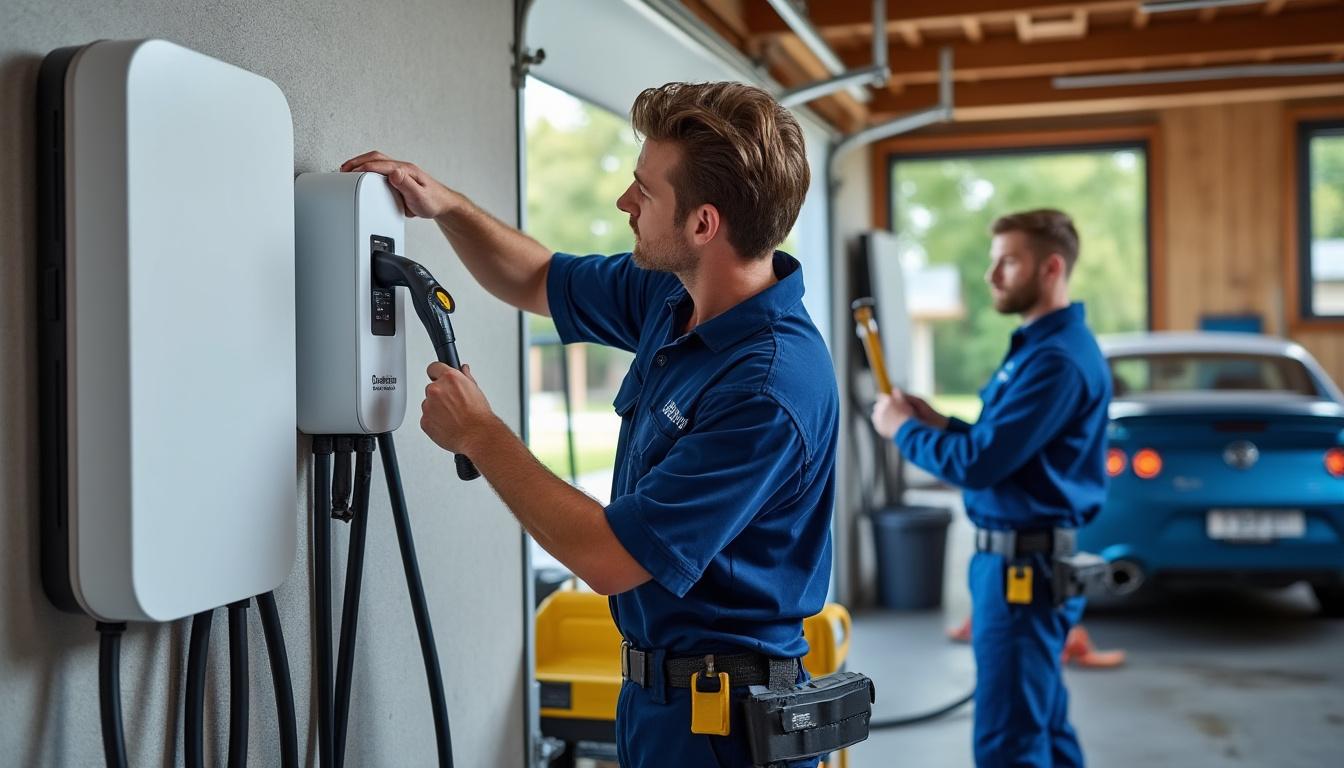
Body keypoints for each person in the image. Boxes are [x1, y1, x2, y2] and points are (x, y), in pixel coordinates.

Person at [343, 81, 837, 768]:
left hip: (725, 732)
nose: (625, 202)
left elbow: (609, 559)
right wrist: (445, 206)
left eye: (645, 190)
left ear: (703, 225)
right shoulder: (678, 296)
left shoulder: (768, 386)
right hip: (658, 702)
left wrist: (481, 435)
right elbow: (537, 277)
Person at [870, 209, 1110, 768]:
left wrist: (900, 430)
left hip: (1025, 575)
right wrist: (936, 423)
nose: (992, 275)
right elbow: (1002, 446)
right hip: (1020, 568)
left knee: (1009, 743)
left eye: (1008, 261)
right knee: (1042, 723)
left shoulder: (1056, 361)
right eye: (993, 260)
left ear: (1051, 268)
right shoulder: (1038, 350)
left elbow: (978, 465)